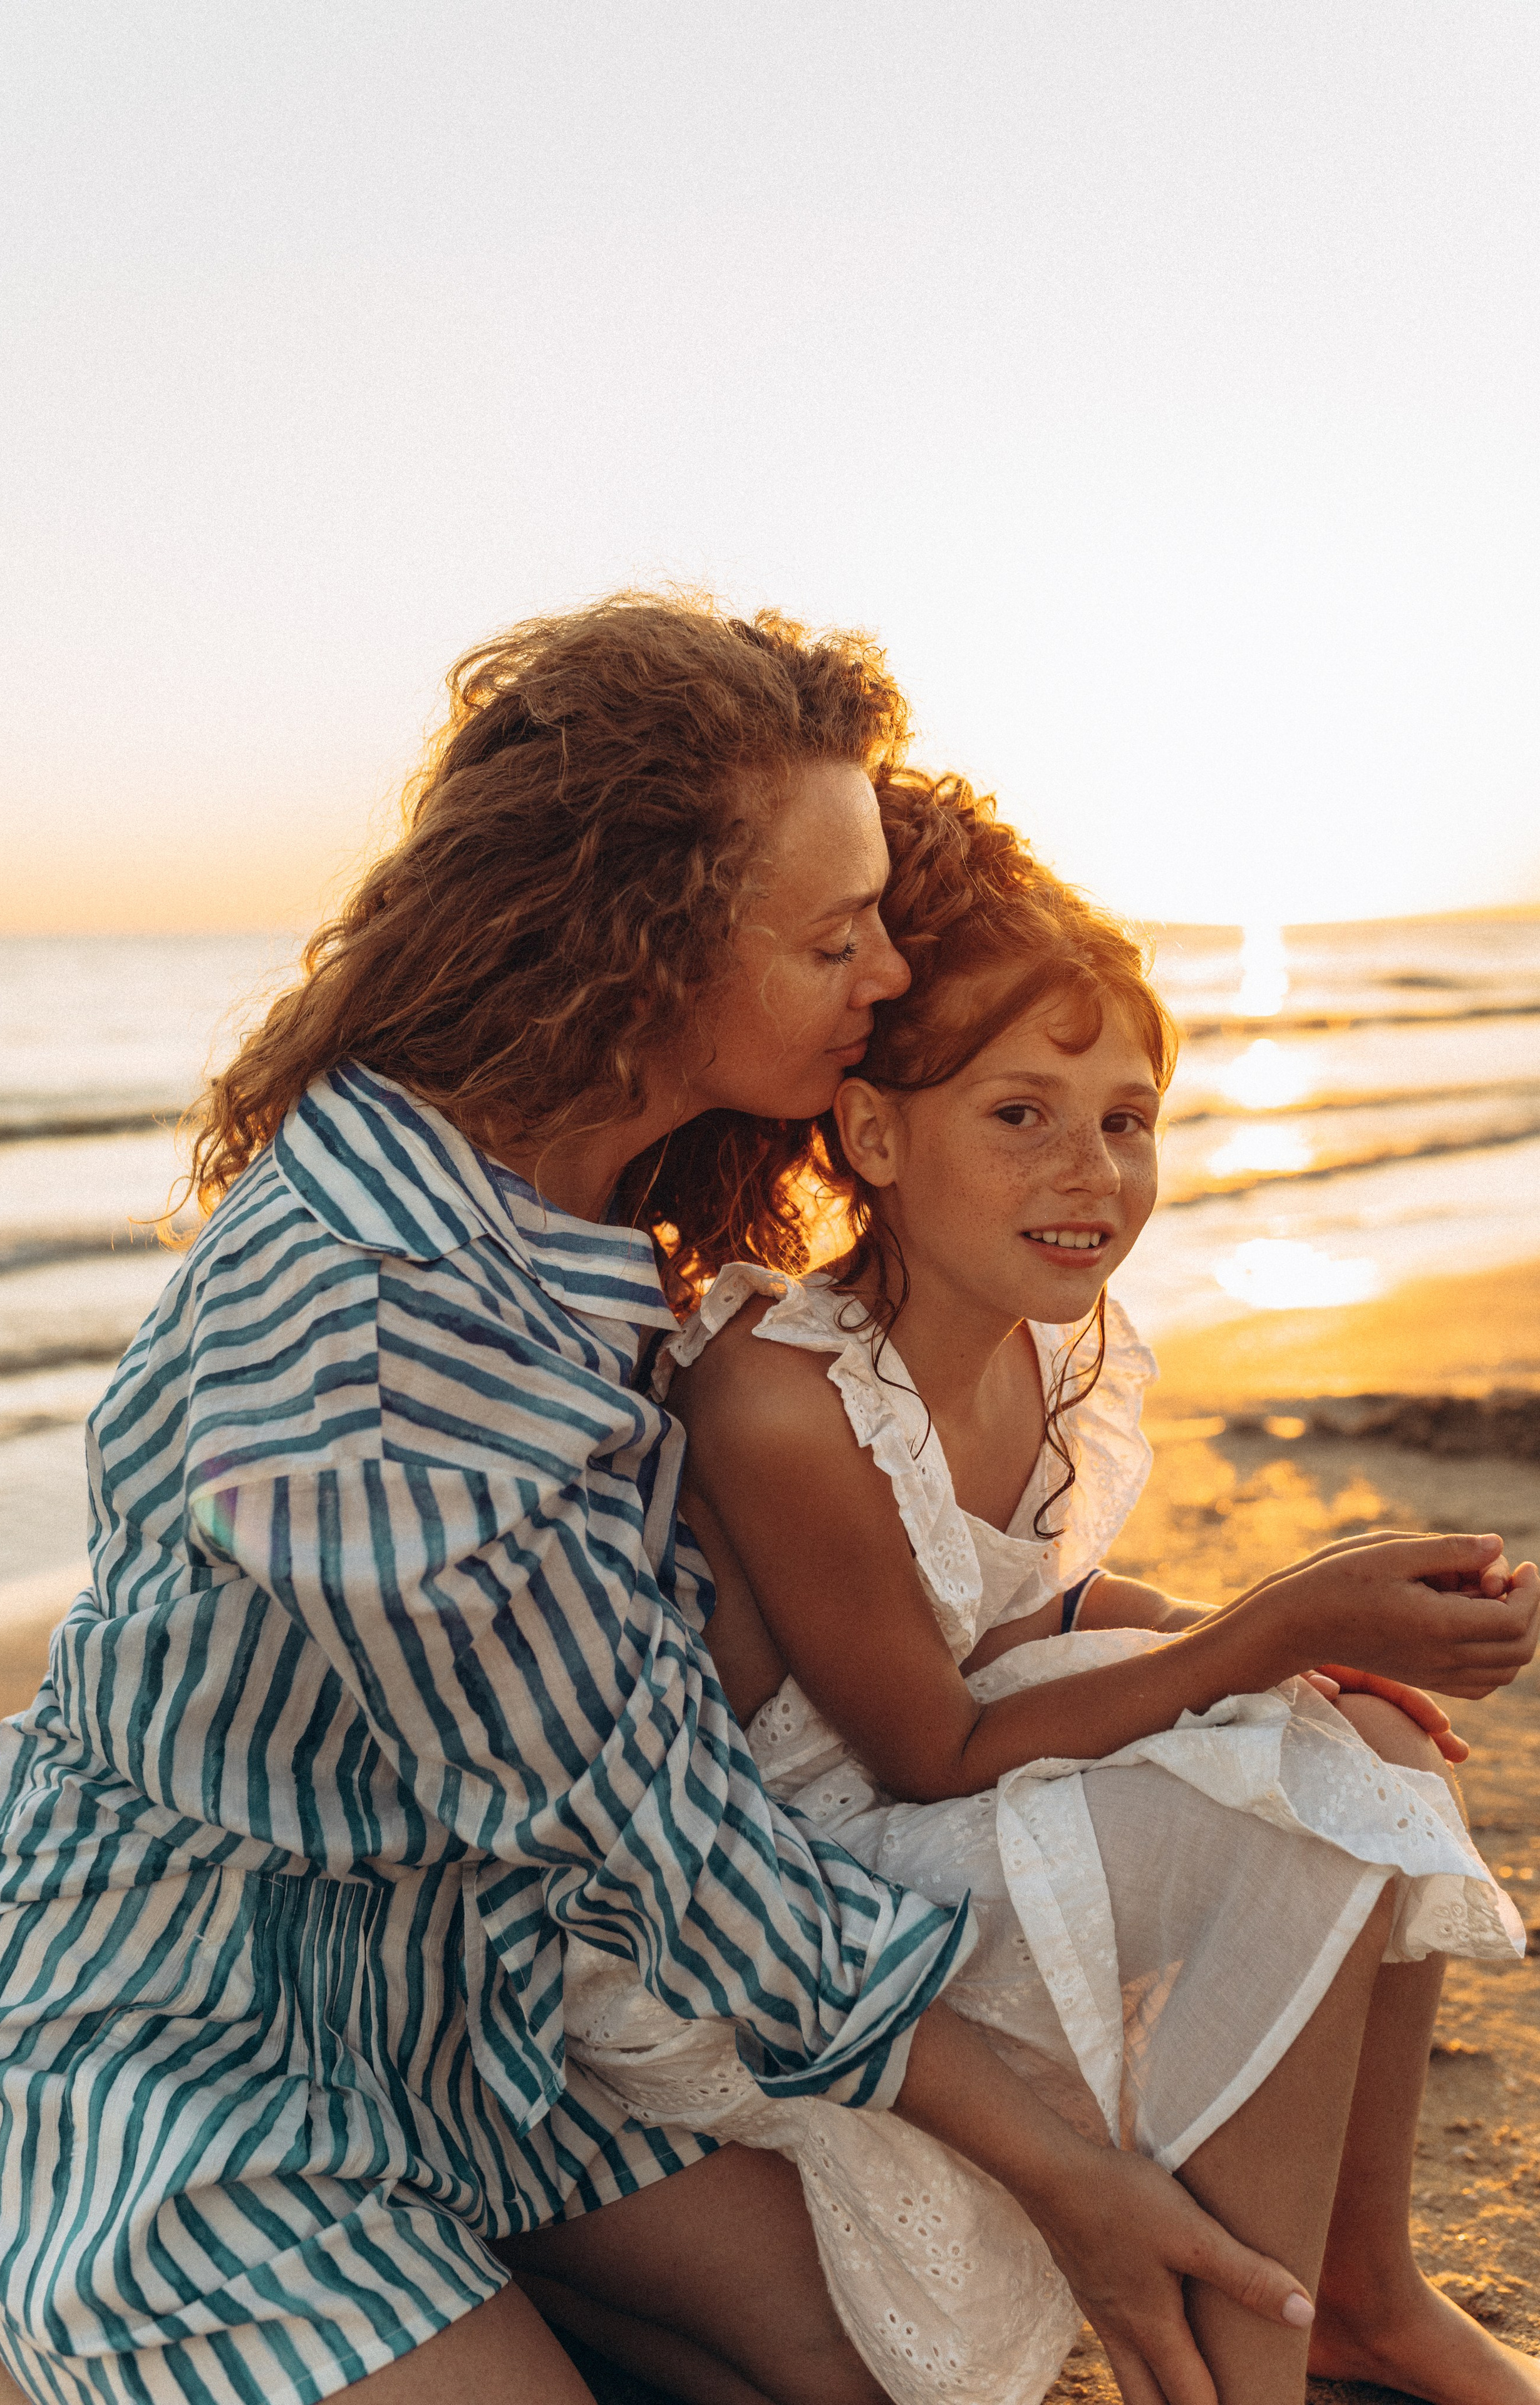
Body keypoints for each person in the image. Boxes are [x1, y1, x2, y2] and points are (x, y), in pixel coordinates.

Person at [0, 599, 1516, 2405]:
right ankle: (2, 2334)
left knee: (873, 2370)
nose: (886, 980)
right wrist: (1072, 2178)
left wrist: (1230, 1639)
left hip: (484, 2025)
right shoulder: (380, 1352)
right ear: (641, 950)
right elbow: (680, 1851)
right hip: (196, 2056)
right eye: (837, 939)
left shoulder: (575, 1189)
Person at [556, 767, 1540, 2405]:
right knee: (1285, 1812)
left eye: (1126, 1123)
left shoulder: (1031, 1348)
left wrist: (1274, 1639)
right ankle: (1244, 2369)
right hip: (778, 1902)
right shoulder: (781, 1391)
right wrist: (1275, 1624)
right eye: (1020, 1116)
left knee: (1357, 1745)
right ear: (876, 1134)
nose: (1091, 1173)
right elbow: (926, 1746)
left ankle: (1363, 2293)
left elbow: (1010, 1611)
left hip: (906, 1806)